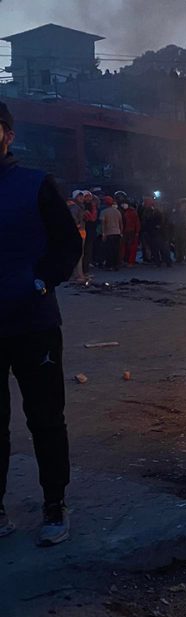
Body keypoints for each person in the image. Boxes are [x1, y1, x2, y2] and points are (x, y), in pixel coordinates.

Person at [0, 101, 81, 546]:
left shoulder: (36, 185)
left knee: (45, 419)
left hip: (34, 324)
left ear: (7, 135)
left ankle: (54, 505)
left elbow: (67, 245)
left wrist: (39, 282)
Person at [66, 199, 87, 282]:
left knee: (75, 254)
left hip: (76, 233)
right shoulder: (76, 208)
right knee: (79, 255)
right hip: (80, 233)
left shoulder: (73, 208)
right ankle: (79, 275)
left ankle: (76, 275)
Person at [99, 195, 123, 270]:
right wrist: (121, 232)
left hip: (108, 233)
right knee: (116, 250)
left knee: (108, 250)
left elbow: (102, 224)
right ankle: (116, 265)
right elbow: (121, 223)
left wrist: (103, 234)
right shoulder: (117, 211)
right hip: (117, 233)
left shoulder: (103, 212)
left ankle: (109, 265)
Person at [122, 199, 141, 266]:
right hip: (127, 231)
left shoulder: (131, 212)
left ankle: (130, 261)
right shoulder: (127, 211)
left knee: (131, 247)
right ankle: (128, 260)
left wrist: (137, 232)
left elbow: (136, 222)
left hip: (130, 231)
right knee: (127, 247)